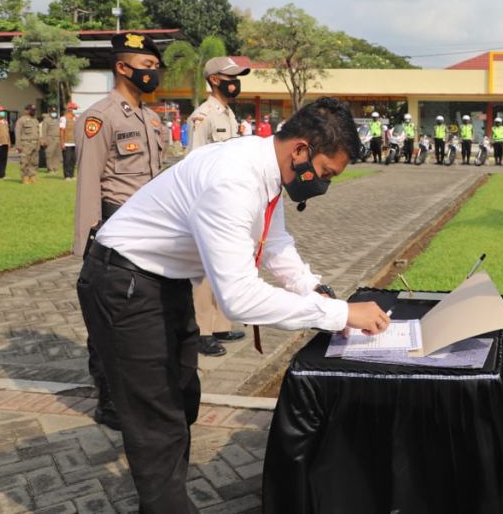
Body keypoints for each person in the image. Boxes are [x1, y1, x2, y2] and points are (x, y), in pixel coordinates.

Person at [78, 97, 389, 511]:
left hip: (162, 283)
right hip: (124, 284)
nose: (323, 184)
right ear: (300, 150)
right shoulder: (233, 180)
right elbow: (238, 297)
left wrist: (316, 290)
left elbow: (274, 243)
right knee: (158, 422)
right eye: (325, 173)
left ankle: (164, 497)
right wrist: (340, 314)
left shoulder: (264, 169)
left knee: (182, 399)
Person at [74, 32, 167, 431]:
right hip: (114, 227)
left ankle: (143, 390)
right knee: (108, 318)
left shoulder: (151, 118)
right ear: (122, 67)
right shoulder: (100, 117)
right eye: (146, 67)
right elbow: (88, 182)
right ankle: (109, 398)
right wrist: (87, 243)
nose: (153, 74)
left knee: (145, 313)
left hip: (152, 230)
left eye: (154, 68)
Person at [187, 56, 251, 356]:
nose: (235, 82)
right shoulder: (203, 115)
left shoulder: (227, 113)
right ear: (214, 79)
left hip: (228, 199)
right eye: (230, 77)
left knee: (222, 264)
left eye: (237, 77)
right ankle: (202, 330)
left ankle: (221, 323)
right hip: (208, 201)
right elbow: (194, 162)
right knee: (202, 269)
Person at [15, 105, 42, 184]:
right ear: (26, 110)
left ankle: (32, 176)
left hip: (35, 143)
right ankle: (25, 177)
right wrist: (18, 145)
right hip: (26, 144)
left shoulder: (35, 120)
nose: (33, 111)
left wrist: (39, 142)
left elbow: (38, 132)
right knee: (25, 161)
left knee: (34, 161)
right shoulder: (21, 120)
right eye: (31, 110)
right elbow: (18, 133)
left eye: (34, 110)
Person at [60, 103, 79, 179]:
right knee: (67, 159)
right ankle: (67, 175)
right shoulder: (63, 119)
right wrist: (62, 142)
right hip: (67, 142)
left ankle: (72, 174)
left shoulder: (75, 118)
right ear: (70, 109)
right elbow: (61, 131)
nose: (75, 111)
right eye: (74, 109)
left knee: (73, 159)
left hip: (74, 142)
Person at [42, 109, 62, 173]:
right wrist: (44, 140)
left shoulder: (58, 119)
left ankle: (55, 168)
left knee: (57, 154)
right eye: (53, 112)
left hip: (58, 138)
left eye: (55, 112)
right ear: (50, 112)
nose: (54, 113)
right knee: (49, 154)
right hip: (50, 138)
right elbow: (44, 131)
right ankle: (50, 169)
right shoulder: (46, 120)